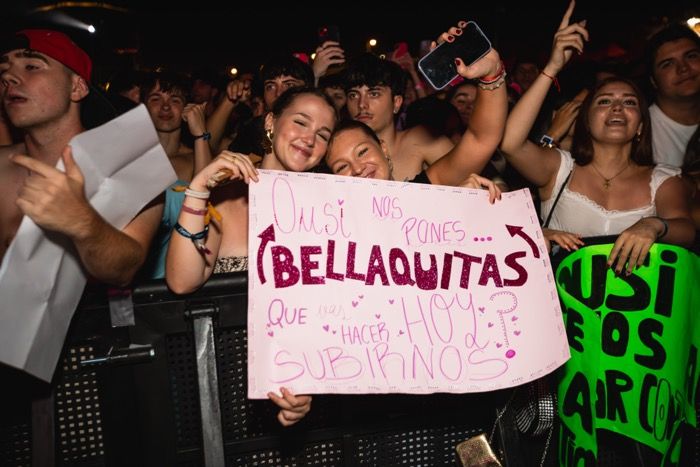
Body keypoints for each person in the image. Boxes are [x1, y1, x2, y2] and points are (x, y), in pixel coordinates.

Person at [166, 87, 338, 426]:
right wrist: (199, 189)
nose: (309, 139)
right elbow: (182, 281)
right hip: (226, 387)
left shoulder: (332, 211)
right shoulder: (229, 197)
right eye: (300, 122)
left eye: (323, 134)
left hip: (305, 386)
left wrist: (309, 382)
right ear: (271, 122)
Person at [500, 2, 695, 269]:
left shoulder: (663, 180)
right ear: (586, 122)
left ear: (640, 125)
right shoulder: (560, 169)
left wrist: (653, 225)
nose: (617, 107)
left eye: (629, 102)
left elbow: (686, 229)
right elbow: (510, 143)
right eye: (604, 101)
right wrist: (552, 67)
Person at [0, 28, 161, 286]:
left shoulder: (132, 164)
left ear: (76, 87)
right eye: (3, 70)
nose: (8, 76)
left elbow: (124, 270)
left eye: (31, 66)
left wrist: (81, 221)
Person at [326, 23, 506, 200]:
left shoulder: (422, 144)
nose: (362, 105)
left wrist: (492, 74)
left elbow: (480, 142)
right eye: (342, 167)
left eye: (373, 94)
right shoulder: (331, 198)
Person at [139, 72, 212, 279]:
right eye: (156, 99)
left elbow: (207, 204)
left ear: (187, 109)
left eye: (175, 100)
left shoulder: (196, 158)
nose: (165, 107)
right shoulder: (132, 158)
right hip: (135, 280)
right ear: (143, 108)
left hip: (182, 276)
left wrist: (200, 134)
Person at [646, 23, 700, 168]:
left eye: (691, 56)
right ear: (653, 80)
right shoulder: (642, 134)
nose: (683, 68)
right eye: (668, 64)